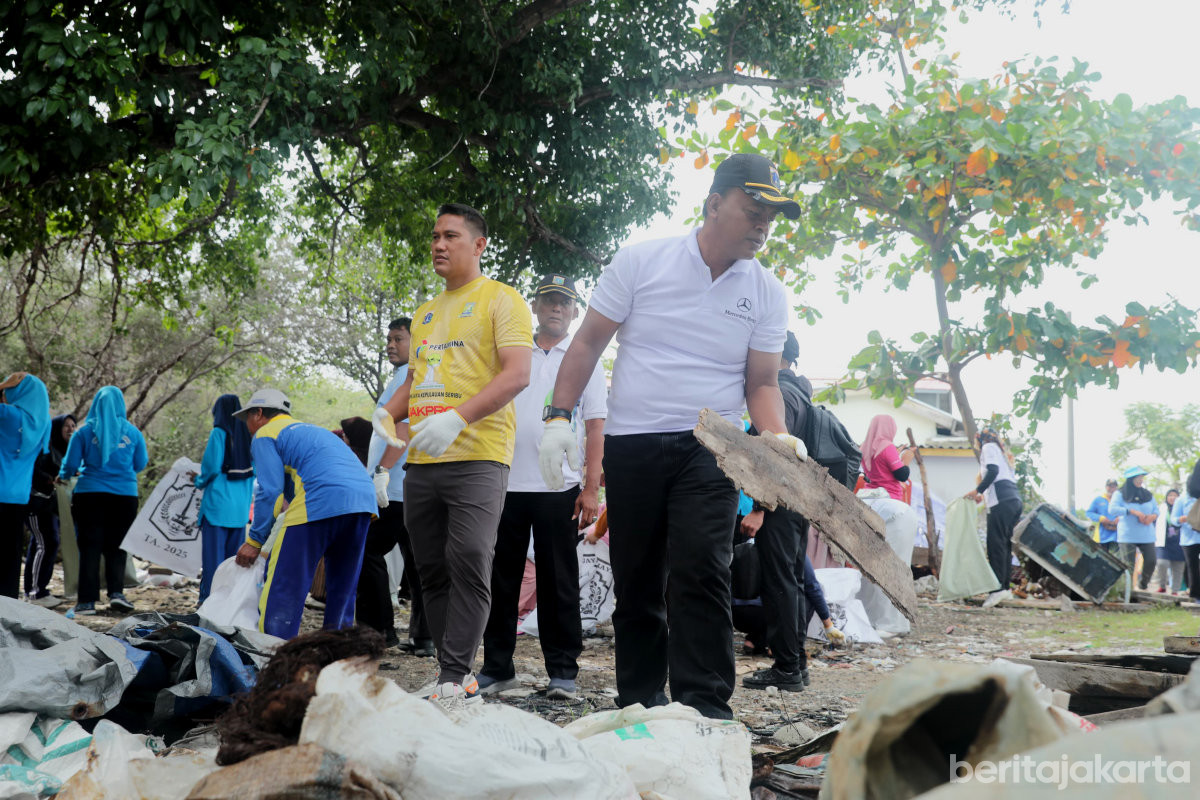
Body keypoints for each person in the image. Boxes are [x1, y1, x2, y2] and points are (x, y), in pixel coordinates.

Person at [537, 153, 807, 720]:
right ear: (714, 204)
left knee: (704, 569)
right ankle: (639, 701)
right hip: (633, 442)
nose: (763, 225)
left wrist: (777, 435)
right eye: (753, 210)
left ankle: (704, 709)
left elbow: (761, 381)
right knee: (637, 580)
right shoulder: (641, 261)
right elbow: (587, 343)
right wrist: (558, 416)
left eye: (771, 217)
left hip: (712, 446)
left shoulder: (767, 292)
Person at [373, 203, 533, 703]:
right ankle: (451, 674)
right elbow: (418, 380)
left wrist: (458, 417)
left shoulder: (501, 300)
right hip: (422, 463)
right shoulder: (424, 313)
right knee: (431, 569)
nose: (439, 244)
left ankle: (457, 671)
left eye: (451, 236)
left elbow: (517, 374)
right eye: (435, 236)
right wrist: (386, 415)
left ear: (479, 245)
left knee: (468, 557)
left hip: (479, 455)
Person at [479, 274, 607, 701]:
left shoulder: (585, 358)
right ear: (536, 307)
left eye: (565, 303)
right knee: (501, 581)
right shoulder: (512, 352)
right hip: (506, 482)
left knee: (559, 582)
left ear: (574, 312)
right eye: (549, 301)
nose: (557, 308)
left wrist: (591, 487)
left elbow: (595, 425)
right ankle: (497, 668)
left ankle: (563, 674)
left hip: (560, 488)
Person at [232, 388, 376, 639]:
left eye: (247, 419)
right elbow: (289, 489)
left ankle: (273, 652)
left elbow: (270, 492)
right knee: (343, 587)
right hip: (362, 503)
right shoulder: (314, 431)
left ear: (259, 413)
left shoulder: (266, 434)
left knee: (285, 585)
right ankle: (337, 654)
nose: (248, 426)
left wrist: (255, 541)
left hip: (321, 499)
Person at [739, 333, 825, 692]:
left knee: (779, 584)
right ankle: (796, 665)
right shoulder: (799, 393)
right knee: (790, 581)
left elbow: (776, 454)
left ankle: (787, 667)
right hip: (795, 504)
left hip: (778, 504)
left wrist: (759, 507)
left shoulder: (781, 394)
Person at [359, 317, 433, 656]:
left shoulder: (409, 376)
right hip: (408, 486)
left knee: (366, 549)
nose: (391, 344)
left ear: (414, 342)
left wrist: (381, 471)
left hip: (397, 486)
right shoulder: (401, 376)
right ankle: (424, 638)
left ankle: (379, 629)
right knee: (417, 564)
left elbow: (401, 428)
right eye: (388, 338)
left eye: (399, 338)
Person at [57, 385, 147, 615]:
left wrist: (63, 476)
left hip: (90, 496)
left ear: (96, 404)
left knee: (89, 547)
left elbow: (70, 465)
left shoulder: (84, 433)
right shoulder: (133, 433)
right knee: (117, 547)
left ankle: (87, 602)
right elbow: (140, 464)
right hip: (125, 497)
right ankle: (117, 593)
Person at [194, 395, 254, 604]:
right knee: (232, 563)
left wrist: (198, 481)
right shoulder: (249, 436)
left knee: (213, 562)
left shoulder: (219, 433)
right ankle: (225, 605)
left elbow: (211, 468)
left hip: (217, 507)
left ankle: (207, 603)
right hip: (239, 512)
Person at [0, 372, 52, 599]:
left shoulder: (8, 415)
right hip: (19, 497)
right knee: (10, 553)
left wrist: (2, 385)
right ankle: (8, 601)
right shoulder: (45, 424)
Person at [966, 428, 1021, 608]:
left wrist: (978, 490)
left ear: (981, 439)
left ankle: (996, 590)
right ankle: (1004, 588)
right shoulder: (1001, 452)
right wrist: (982, 493)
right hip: (1013, 499)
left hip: (1002, 501)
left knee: (995, 545)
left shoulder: (989, 447)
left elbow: (992, 471)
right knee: (1004, 544)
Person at [25, 413, 76, 606]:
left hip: (49, 505)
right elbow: (33, 470)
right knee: (48, 542)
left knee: (41, 544)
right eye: (66, 426)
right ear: (57, 428)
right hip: (35, 502)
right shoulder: (45, 448)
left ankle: (33, 591)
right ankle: (37, 593)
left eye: (73, 426)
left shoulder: (67, 451)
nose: (71, 429)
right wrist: (49, 479)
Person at [1108, 466, 1158, 592]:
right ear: (1130, 479)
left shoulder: (1148, 494)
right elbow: (1112, 509)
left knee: (1151, 560)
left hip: (1146, 534)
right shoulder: (1119, 494)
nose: (1141, 480)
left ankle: (1143, 584)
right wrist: (1131, 511)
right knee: (1128, 565)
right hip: (1128, 535)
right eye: (1138, 477)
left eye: (1142, 477)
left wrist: (1152, 517)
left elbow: (1156, 510)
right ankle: (1127, 592)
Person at [860, 414, 914, 501]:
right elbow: (902, 476)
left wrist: (895, 454)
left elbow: (880, 464)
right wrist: (906, 460)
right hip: (889, 497)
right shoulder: (887, 446)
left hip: (868, 495)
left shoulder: (864, 446)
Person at [1153, 488, 1185, 594]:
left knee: (1178, 567)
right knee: (1162, 563)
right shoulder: (1161, 508)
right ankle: (1162, 585)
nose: (1172, 498)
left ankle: (1175, 590)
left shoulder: (1183, 508)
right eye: (1170, 495)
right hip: (1163, 542)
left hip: (1179, 542)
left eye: (1175, 495)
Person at [1171, 488, 1200, 602]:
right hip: (1188, 539)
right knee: (1193, 567)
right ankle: (1196, 596)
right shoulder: (1182, 499)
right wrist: (1180, 519)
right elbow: (1173, 519)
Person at [1085, 479, 1120, 552]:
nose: (1111, 489)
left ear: (1116, 488)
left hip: (1118, 536)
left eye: (1114, 487)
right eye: (1109, 486)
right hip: (1102, 536)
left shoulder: (1120, 500)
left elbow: (1128, 512)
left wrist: (1120, 518)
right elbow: (1089, 513)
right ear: (1106, 487)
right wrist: (1101, 518)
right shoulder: (1098, 500)